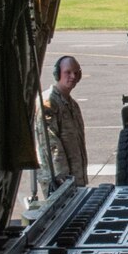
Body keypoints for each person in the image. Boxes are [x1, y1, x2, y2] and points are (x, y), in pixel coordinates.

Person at [40, 55, 87, 187]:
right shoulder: (49, 103)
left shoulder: (72, 105)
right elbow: (50, 143)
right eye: (68, 72)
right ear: (57, 74)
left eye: (76, 72)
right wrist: (62, 180)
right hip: (59, 181)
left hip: (75, 179)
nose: (73, 76)